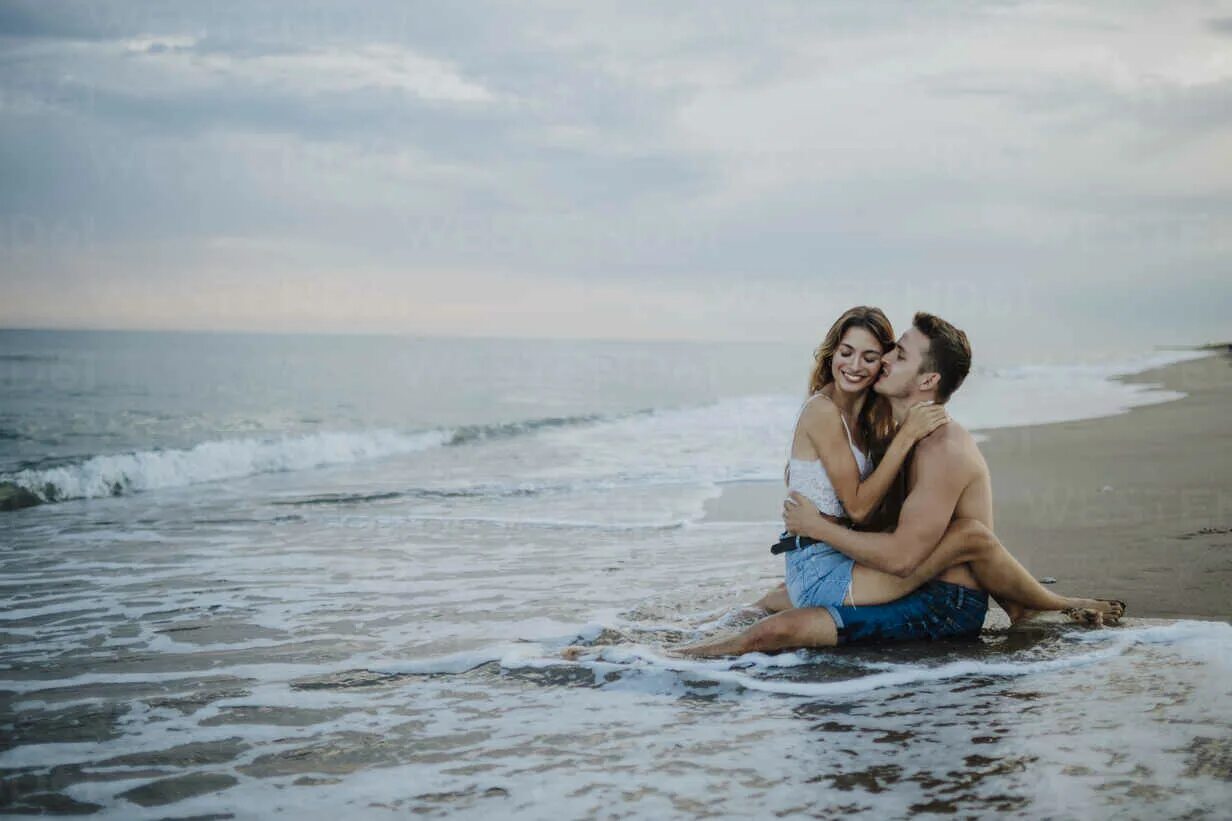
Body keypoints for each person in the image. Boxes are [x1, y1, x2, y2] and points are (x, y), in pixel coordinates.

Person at [675, 312, 1124, 657]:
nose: (883, 360)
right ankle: (1031, 606)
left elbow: (903, 557)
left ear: (927, 380)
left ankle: (672, 660)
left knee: (782, 628)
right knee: (780, 601)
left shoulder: (941, 448)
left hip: (943, 601)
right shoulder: (885, 428)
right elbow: (868, 513)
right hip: (907, 580)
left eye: (896, 355)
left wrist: (818, 527)